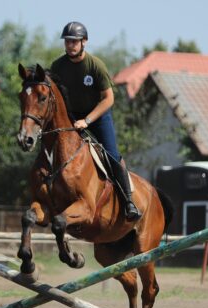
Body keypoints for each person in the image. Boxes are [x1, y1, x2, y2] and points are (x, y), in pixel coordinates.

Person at [50, 21, 141, 221]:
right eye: (67, 41)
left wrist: (88, 120)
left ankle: (128, 201)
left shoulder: (95, 65)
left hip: (97, 117)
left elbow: (109, 99)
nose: (70, 45)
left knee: (111, 154)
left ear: (84, 42)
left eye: (74, 41)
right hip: (71, 118)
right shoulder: (57, 66)